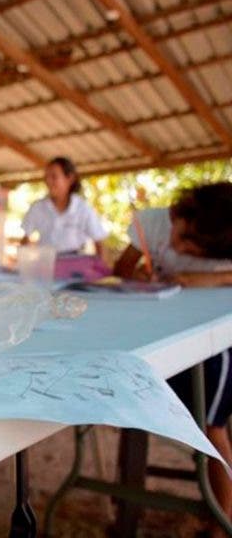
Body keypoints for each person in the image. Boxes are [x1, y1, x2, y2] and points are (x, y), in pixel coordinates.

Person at [114, 181, 232, 537]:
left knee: (212, 427)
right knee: (131, 403)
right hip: (159, 338)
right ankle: (126, 507)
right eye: (182, 235)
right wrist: (138, 278)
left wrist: (188, 278)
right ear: (186, 210)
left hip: (216, 346)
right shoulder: (151, 222)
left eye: (192, 247)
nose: (177, 246)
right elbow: (121, 269)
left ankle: (223, 518)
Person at [21, 157, 107, 257]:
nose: (48, 181)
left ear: (69, 179)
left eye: (53, 176)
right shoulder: (37, 208)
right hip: (46, 264)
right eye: (46, 177)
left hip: (75, 265)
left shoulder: (83, 209)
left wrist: (100, 269)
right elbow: (25, 240)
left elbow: (99, 243)